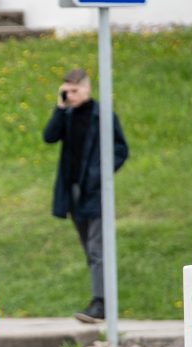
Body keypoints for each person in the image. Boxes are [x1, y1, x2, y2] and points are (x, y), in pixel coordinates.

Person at [43, 67, 129, 324]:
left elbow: (121, 149)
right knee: (89, 249)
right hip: (73, 194)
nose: (71, 95)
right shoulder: (67, 116)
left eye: (75, 90)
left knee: (97, 248)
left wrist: (99, 174)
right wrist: (59, 108)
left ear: (87, 88)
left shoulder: (101, 115)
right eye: (66, 91)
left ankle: (101, 303)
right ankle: (101, 299)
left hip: (96, 192)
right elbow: (49, 137)